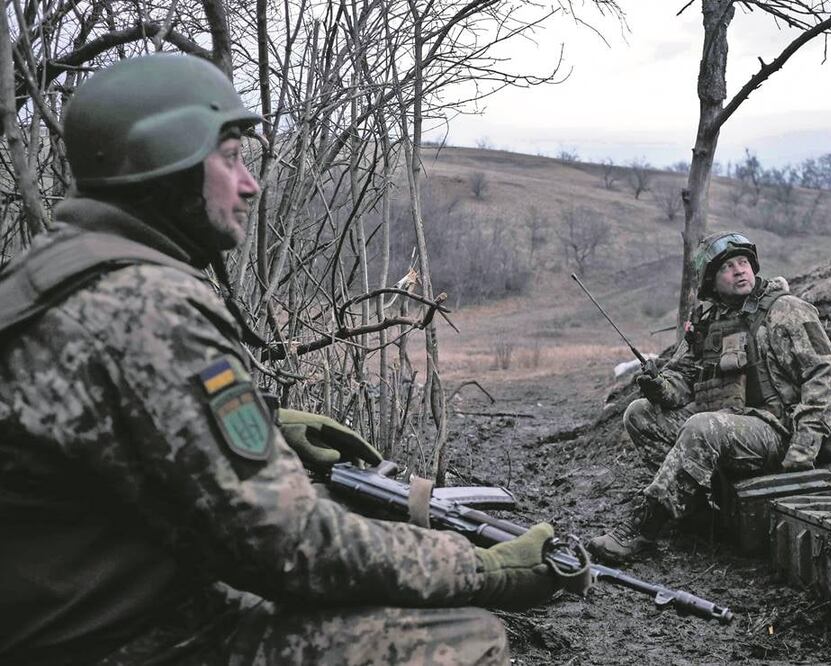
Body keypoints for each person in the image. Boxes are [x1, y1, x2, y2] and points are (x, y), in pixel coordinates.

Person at [0, 54, 578, 666]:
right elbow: (291, 546)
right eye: (230, 158)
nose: (250, 184)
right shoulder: (149, 304)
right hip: (112, 641)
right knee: (460, 639)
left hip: (65, 615)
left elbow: (116, 435)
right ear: (163, 163)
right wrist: (483, 566)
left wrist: (267, 425)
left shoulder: (49, 271)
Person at [588, 232, 831, 564]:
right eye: (728, 267)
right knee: (638, 414)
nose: (740, 271)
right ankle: (696, 513)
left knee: (703, 426)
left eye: (743, 263)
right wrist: (658, 386)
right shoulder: (708, 322)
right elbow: (684, 380)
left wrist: (803, 448)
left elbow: (825, 377)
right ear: (711, 280)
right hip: (725, 423)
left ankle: (645, 528)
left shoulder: (786, 310)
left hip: (778, 430)